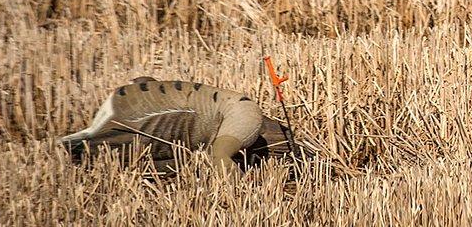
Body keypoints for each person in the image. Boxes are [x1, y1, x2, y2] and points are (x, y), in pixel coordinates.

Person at [60, 77, 302, 173]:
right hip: (131, 111)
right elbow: (220, 158)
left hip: (124, 107)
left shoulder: (238, 114)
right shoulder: (246, 114)